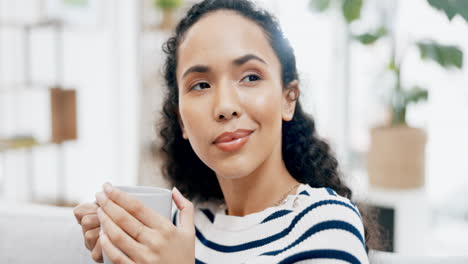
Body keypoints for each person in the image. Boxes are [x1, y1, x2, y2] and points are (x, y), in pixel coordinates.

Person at [73, 0, 374, 263]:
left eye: (250, 77)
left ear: (287, 98)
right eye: (201, 85)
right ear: (182, 122)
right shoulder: (179, 230)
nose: (225, 106)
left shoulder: (325, 224)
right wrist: (118, 241)